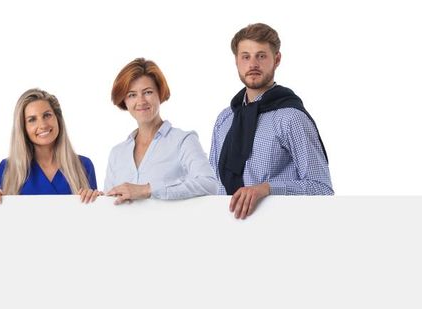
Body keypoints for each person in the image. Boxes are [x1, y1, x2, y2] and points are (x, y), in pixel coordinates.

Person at [211, 23, 332, 219]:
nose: (253, 65)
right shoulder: (225, 119)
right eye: (246, 57)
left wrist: (267, 189)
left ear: (277, 60)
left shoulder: (291, 118)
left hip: (282, 230)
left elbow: (321, 187)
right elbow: (214, 185)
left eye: (261, 55)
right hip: (228, 231)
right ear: (236, 61)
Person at [79, 58, 219, 204]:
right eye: (132, 95)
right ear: (124, 101)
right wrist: (96, 198)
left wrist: (147, 190)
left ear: (160, 93)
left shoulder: (183, 141)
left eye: (147, 92)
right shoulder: (117, 153)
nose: (141, 101)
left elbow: (210, 184)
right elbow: (111, 204)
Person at [0, 89, 96, 205]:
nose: (43, 125)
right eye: (32, 120)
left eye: (47, 115)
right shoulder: (9, 168)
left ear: (58, 119)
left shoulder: (83, 166)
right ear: (23, 128)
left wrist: (98, 200)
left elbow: (94, 217)